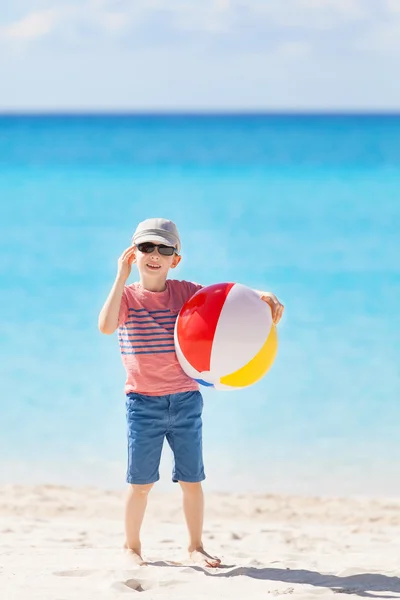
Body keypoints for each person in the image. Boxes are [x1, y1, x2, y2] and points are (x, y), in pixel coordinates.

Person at [98, 218, 284, 568]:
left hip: (185, 400)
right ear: (132, 254)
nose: (154, 255)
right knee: (140, 483)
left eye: (164, 249)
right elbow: (106, 326)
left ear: (175, 259)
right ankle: (131, 547)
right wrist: (120, 277)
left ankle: (195, 546)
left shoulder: (186, 292)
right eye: (146, 247)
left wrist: (262, 297)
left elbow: (227, 302)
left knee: (192, 479)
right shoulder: (125, 297)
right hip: (143, 403)